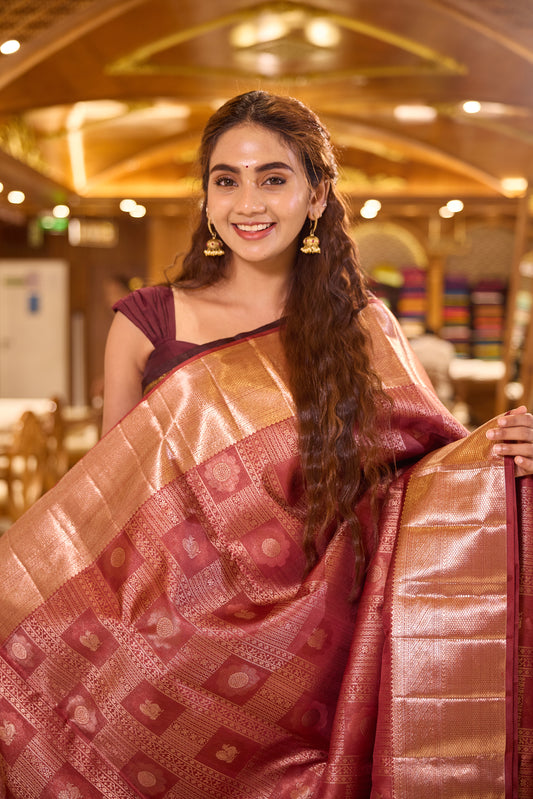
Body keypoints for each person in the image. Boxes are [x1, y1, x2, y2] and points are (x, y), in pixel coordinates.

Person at [0, 91, 532, 798]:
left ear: (315, 196)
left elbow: (414, 479)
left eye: (272, 178)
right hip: (166, 654)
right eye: (226, 179)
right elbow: (112, 515)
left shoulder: (362, 327)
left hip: (314, 664)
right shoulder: (146, 323)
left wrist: (497, 453)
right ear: (206, 196)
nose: (247, 201)